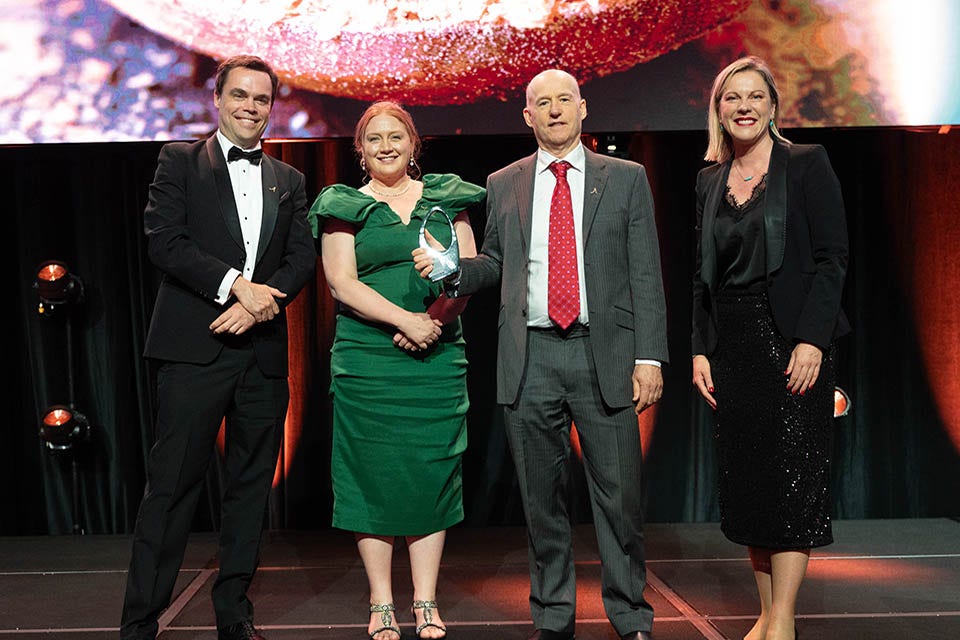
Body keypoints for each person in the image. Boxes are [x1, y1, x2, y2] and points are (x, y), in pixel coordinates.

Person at [415, 69, 668, 640]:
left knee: (620, 499)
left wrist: (649, 358)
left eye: (563, 100)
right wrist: (453, 269)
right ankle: (553, 615)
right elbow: (496, 264)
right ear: (527, 117)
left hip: (603, 353)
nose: (554, 110)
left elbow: (646, 274)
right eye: (541, 103)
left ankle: (631, 615)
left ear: (583, 108)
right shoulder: (504, 181)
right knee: (541, 502)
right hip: (530, 359)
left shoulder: (624, 178)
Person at [120, 55, 316, 640]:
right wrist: (237, 287)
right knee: (172, 487)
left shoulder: (290, 179)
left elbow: (301, 258)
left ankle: (234, 609)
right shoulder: (179, 161)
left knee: (252, 489)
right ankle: (139, 620)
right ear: (218, 98)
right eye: (240, 95)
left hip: (261, 353)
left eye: (261, 99)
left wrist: (263, 300)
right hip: (193, 349)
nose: (250, 107)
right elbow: (165, 241)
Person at [309, 100, 485, 640]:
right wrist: (406, 321)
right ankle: (382, 602)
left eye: (396, 137)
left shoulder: (447, 196)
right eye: (374, 139)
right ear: (360, 150)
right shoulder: (344, 204)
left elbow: (469, 272)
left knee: (432, 473)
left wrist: (433, 320)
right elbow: (342, 281)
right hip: (369, 360)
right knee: (372, 476)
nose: (386, 146)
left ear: (414, 144)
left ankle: (426, 602)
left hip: (436, 358)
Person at [691, 56, 849, 640]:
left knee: (793, 483)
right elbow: (699, 277)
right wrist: (699, 349)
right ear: (719, 110)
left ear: (773, 106)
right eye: (733, 98)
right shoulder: (708, 179)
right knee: (753, 484)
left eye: (755, 97)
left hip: (791, 343)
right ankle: (768, 616)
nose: (744, 107)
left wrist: (812, 338)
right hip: (731, 348)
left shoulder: (806, 164)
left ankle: (782, 622)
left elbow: (834, 259)